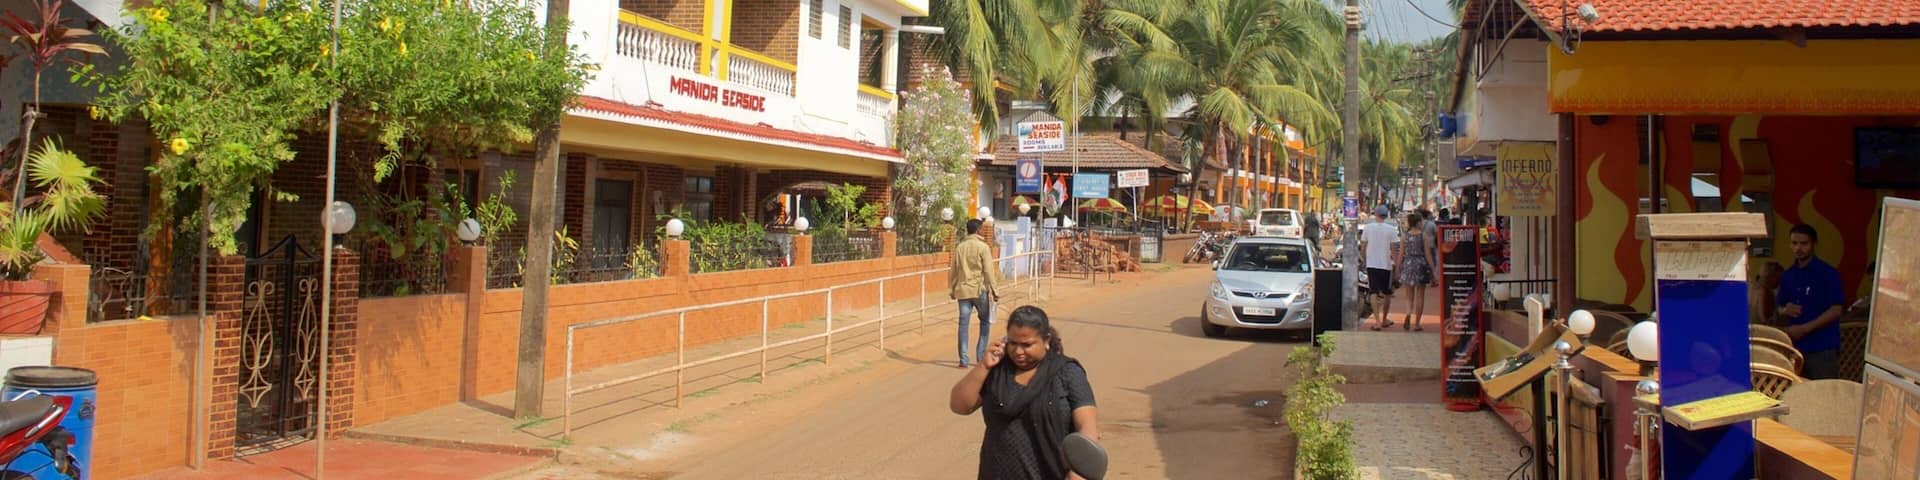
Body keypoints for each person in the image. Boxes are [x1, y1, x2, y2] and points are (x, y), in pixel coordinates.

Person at [949, 306, 1100, 480]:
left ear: (1046, 340)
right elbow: (960, 406)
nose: (1018, 351)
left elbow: (1087, 427)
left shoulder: (1066, 372)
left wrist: (1079, 471)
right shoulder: (998, 371)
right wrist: (983, 366)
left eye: (1027, 345)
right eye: (1013, 343)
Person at [1775, 224, 1844, 379]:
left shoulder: (1828, 273)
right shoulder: (1788, 275)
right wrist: (1785, 310)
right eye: (1794, 243)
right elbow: (1779, 307)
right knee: (1796, 390)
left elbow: (1836, 310)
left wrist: (1805, 328)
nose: (1798, 248)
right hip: (1794, 347)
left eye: (1804, 243)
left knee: (1824, 390)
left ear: (1813, 244)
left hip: (1822, 346)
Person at [951, 218, 1001, 369]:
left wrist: (952, 289)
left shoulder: (960, 247)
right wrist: (995, 290)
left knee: (963, 325)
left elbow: (954, 270)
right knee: (984, 322)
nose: (983, 231)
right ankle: (980, 357)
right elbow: (988, 271)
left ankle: (963, 360)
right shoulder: (983, 247)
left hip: (963, 290)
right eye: (982, 229)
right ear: (978, 230)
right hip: (980, 290)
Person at [1361, 206, 1400, 330]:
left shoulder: (1368, 228)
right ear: (1386, 215)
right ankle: (1384, 319)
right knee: (1387, 292)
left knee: (1373, 291)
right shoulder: (1391, 229)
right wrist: (1397, 266)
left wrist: (1364, 259)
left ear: (1375, 214)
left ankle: (1377, 321)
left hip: (1371, 264)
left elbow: (1363, 246)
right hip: (1386, 265)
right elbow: (1394, 250)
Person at [1397, 211, 1437, 331]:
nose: (1422, 223)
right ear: (1418, 223)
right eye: (1421, 222)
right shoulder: (1423, 236)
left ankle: (1408, 313)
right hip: (1421, 265)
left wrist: (1398, 268)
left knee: (1409, 295)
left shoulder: (1404, 236)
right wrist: (1433, 270)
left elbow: (1401, 254)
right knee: (1420, 296)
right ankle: (1417, 324)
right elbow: (1428, 254)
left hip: (1408, 264)